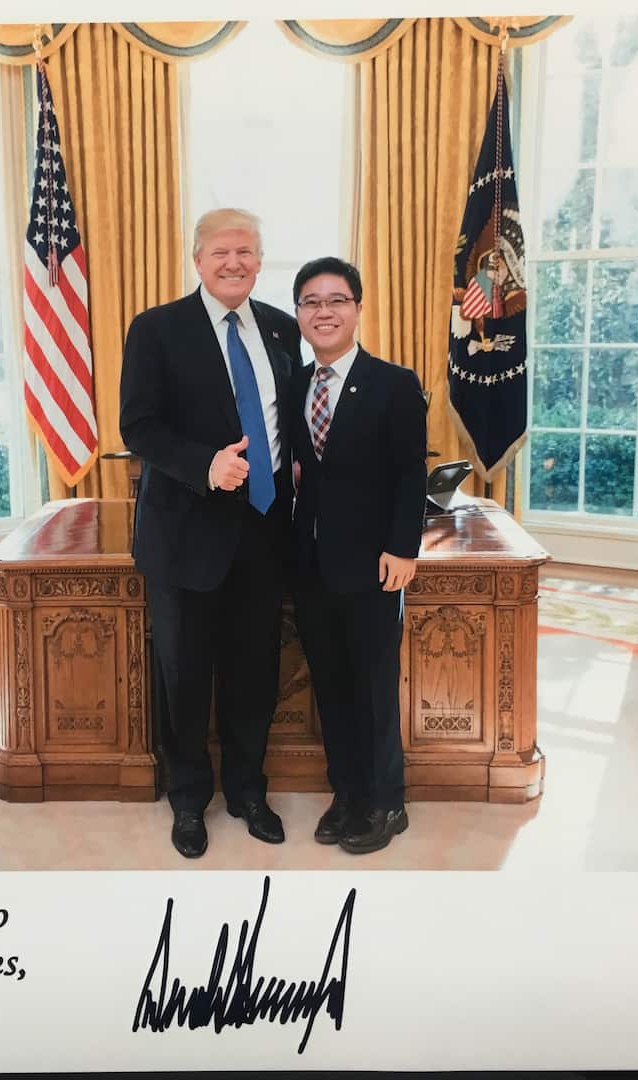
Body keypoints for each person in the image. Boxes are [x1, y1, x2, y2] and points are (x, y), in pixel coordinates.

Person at [119, 208, 300, 859]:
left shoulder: (282, 327)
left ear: (259, 260)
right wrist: (205, 464)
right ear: (197, 260)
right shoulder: (157, 329)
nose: (234, 263)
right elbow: (138, 426)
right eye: (221, 251)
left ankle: (249, 791)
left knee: (255, 673)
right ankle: (190, 800)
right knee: (185, 677)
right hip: (185, 537)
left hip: (263, 532)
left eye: (246, 251)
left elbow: (288, 417)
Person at [288, 256, 428, 854]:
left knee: (372, 687)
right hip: (312, 563)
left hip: (375, 564)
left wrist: (403, 547)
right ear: (299, 314)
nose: (325, 312)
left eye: (336, 300)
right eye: (312, 302)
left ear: (358, 308)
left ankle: (386, 802)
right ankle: (346, 794)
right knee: (331, 687)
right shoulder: (296, 385)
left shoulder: (395, 383)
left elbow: (407, 474)